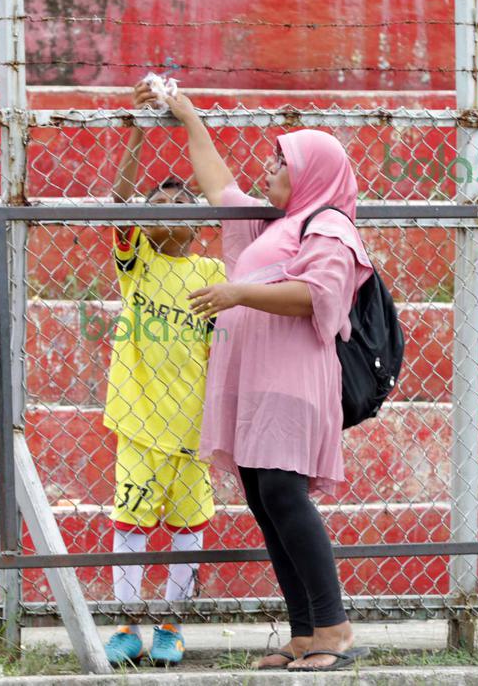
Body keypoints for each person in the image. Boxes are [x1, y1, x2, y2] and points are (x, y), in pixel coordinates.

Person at [165, 90, 374, 672]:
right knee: (264, 497)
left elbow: (317, 296)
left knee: (284, 492)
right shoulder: (278, 222)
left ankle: (333, 626)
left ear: (312, 174)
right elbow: (219, 187)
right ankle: (304, 632)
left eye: (282, 163)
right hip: (254, 382)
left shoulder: (329, 226)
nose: (270, 169)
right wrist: (188, 116)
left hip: (292, 381)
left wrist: (238, 292)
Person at [99, 83, 226, 667]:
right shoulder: (139, 266)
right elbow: (120, 200)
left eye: (184, 202)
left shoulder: (211, 270)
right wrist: (139, 127)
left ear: (200, 224)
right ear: (145, 225)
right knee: (130, 523)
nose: (171, 207)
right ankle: (126, 623)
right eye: (161, 202)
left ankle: (173, 625)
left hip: (194, 431)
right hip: (140, 424)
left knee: (186, 529)